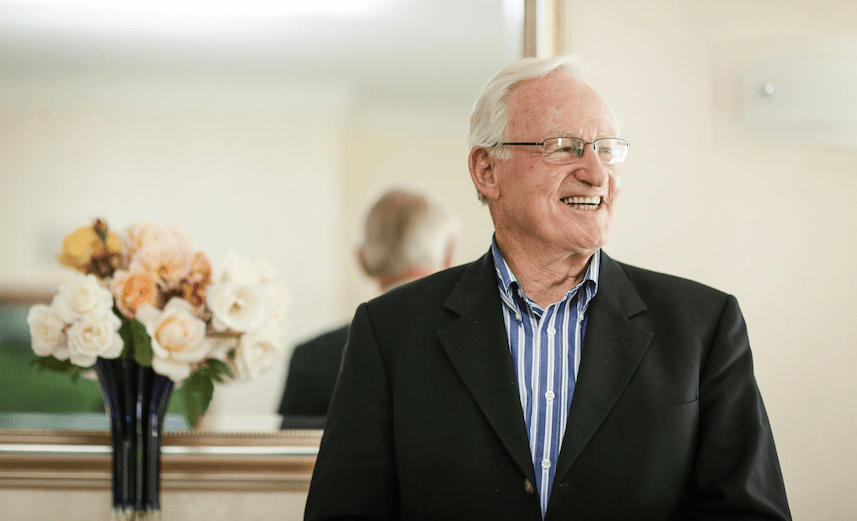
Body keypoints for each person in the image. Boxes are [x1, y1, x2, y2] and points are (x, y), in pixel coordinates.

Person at [304, 55, 791, 520]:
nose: (596, 174)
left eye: (606, 149)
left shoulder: (704, 326)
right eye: (565, 147)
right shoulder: (389, 331)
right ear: (486, 171)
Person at [277, 187, 458, 427]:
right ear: (449, 254)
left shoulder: (313, 356)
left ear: (361, 259)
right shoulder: (487, 344)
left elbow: (291, 450)